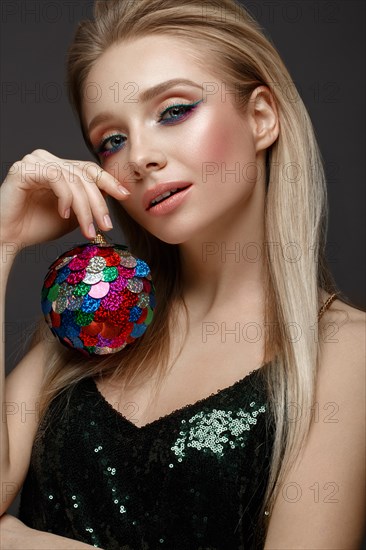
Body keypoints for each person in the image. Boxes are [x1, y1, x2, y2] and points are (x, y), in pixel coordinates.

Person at [0, 0, 365, 548]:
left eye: (173, 111)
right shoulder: (95, 314)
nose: (140, 155)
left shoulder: (347, 354)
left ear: (261, 117)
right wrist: (2, 239)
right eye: (112, 141)